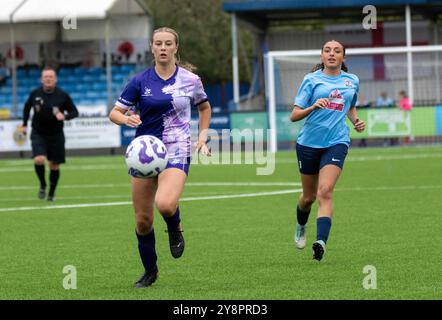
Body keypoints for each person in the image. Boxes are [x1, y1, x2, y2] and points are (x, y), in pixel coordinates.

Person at [109, 27, 211, 288]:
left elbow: (204, 107)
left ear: (176, 47)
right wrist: (126, 118)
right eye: (158, 43)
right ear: (152, 48)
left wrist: (201, 137)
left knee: (165, 204)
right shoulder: (139, 81)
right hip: (144, 153)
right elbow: (115, 113)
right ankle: (150, 271)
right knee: (143, 222)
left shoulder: (190, 80)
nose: (163, 48)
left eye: (168, 43)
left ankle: (175, 227)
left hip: (177, 149)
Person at [289, 40, 365, 261]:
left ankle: (321, 242)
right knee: (309, 197)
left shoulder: (352, 81)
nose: (332, 54)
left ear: (344, 57)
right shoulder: (311, 80)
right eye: (327, 50)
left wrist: (356, 121)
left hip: (337, 141)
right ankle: (301, 225)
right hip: (308, 144)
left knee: (325, 191)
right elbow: (294, 115)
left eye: (337, 51)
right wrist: (313, 106)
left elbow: (350, 105)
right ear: (322, 56)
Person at [22, 66, 78, 201]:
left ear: (55, 79)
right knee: (39, 159)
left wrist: (64, 117)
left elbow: (74, 112)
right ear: (41, 79)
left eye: (50, 77)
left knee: (54, 165)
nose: (48, 79)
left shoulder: (63, 95)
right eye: (45, 77)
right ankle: (42, 184)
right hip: (38, 132)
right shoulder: (35, 93)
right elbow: (26, 107)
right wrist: (24, 125)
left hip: (56, 134)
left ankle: (51, 194)